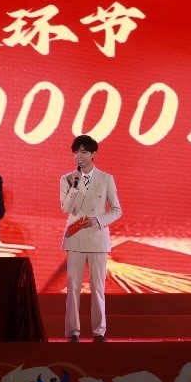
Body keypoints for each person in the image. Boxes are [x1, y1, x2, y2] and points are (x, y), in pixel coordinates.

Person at [60, 135, 122, 343]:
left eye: (84, 152)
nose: (80, 156)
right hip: (75, 237)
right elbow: (66, 208)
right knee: (73, 287)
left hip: (97, 237)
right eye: (76, 152)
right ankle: (73, 332)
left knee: (97, 288)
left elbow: (116, 210)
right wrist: (75, 186)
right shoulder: (67, 179)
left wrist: (98, 220)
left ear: (93, 154)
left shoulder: (106, 179)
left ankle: (99, 332)